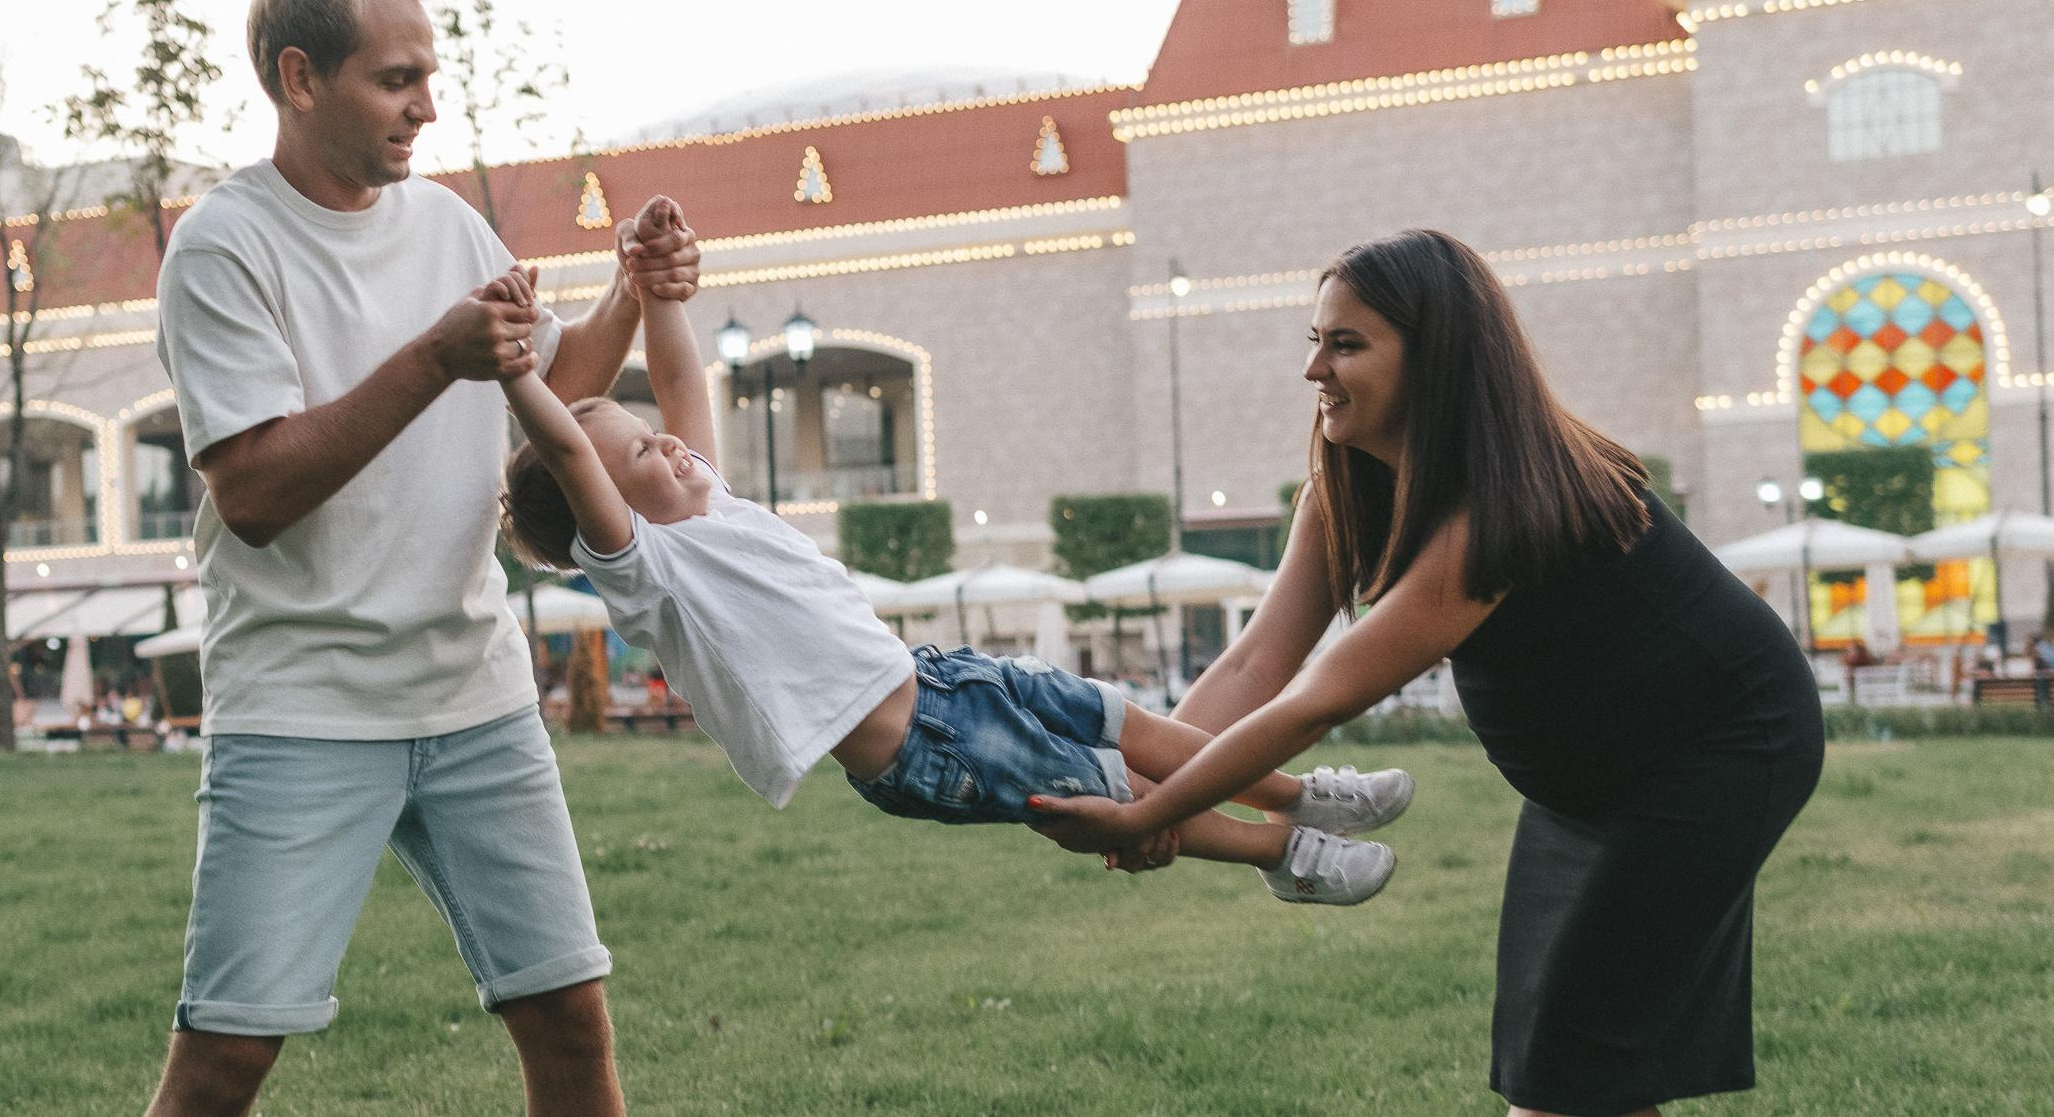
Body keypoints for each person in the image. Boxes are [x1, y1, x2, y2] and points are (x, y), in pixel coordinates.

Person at [1028, 230, 1824, 1117]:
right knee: (1577, 1070)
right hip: (1585, 784)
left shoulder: (1493, 511)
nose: (1314, 370)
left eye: (1347, 344)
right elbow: (1258, 660)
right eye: (1314, 341)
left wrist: (1151, 813)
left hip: (1715, 754)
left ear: (1435, 361)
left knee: (1566, 1076)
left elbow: (1316, 702)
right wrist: (1148, 780)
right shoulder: (1346, 488)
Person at [144, 0, 699, 1117]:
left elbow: (554, 385)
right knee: (227, 1054)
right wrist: (433, 359)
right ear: (301, 78)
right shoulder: (224, 247)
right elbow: (253, 491)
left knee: (568, 1023)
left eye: (427, 76)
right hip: (302, 705)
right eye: (395, 80)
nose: (426, 107)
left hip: (474, 695)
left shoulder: (445, 226)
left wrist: (631, 289)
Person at [489, 232, 1410, 903]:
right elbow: (572, 459)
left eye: (656, 436)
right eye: (642, 454)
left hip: (940, 676)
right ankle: (1282, 855)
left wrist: (660, 292)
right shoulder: (649, 571)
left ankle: (1300, 793)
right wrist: (517, 371)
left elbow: (684, 383)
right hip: (922, 747)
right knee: (1107, 786)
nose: (670, 447)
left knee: (1119, 718)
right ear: (603, 523)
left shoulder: (708, 503)